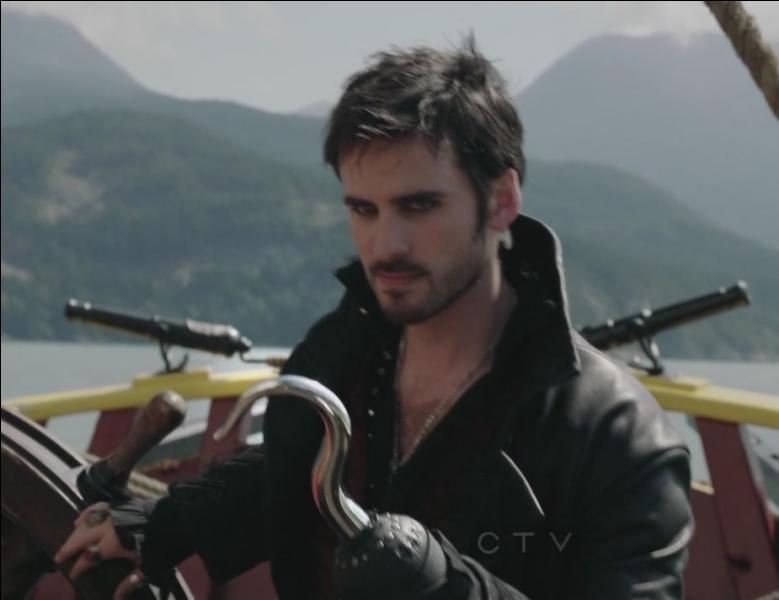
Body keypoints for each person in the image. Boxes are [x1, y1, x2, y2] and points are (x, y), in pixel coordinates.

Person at [55, 38, 693, 599]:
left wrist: (436, 581)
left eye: (418, 206)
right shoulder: (346, 359)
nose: (386, 245)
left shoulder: (615, 437)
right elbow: (309, 470)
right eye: (363, 209)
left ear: (501, 201)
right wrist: (166, 523)